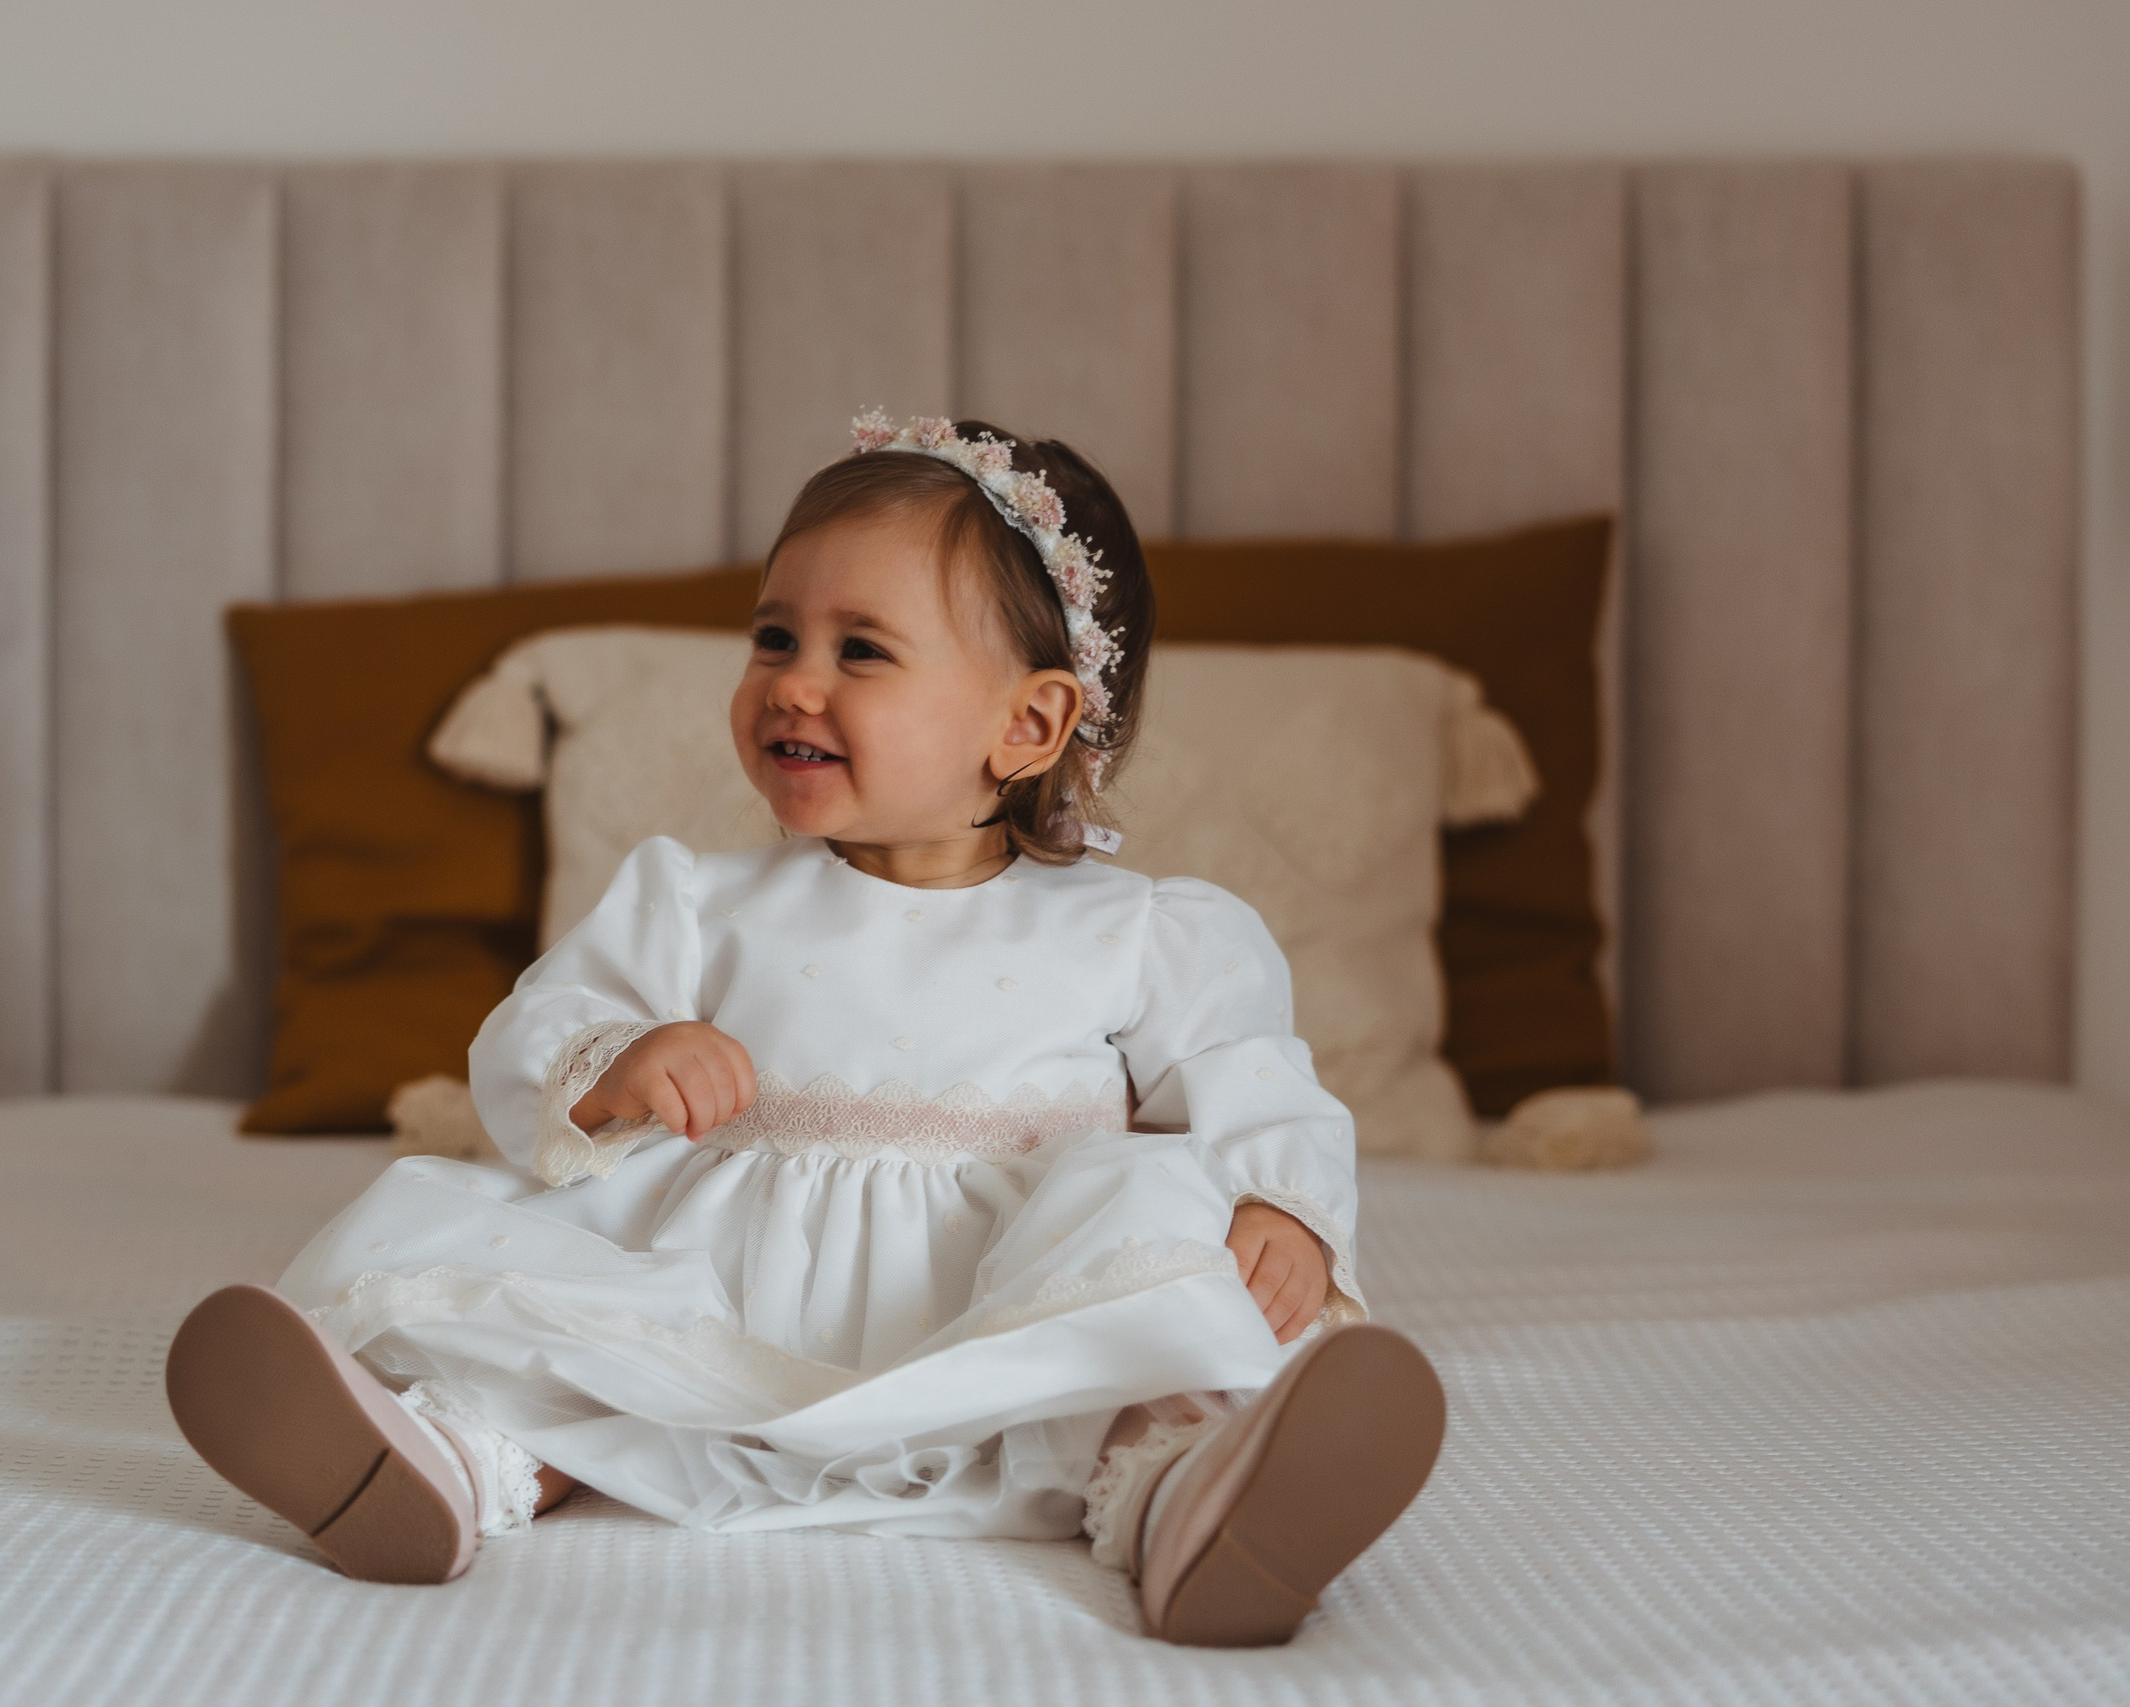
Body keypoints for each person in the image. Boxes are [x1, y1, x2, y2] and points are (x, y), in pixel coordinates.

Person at [166, 414, 1446, 1646]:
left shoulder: (1139, 931)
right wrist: (614, 1064)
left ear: (1028, 724)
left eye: (860, 652)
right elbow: (538, 1026)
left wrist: (1283, 1204)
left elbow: (1251, 1077)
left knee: (1149, 1279)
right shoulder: (693, 899)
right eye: (774, 637)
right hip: (716, 1306)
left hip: (1008, 1322)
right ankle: (450, 1468)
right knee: (550, 1347)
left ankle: (1190, 1502)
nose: (792, 684)